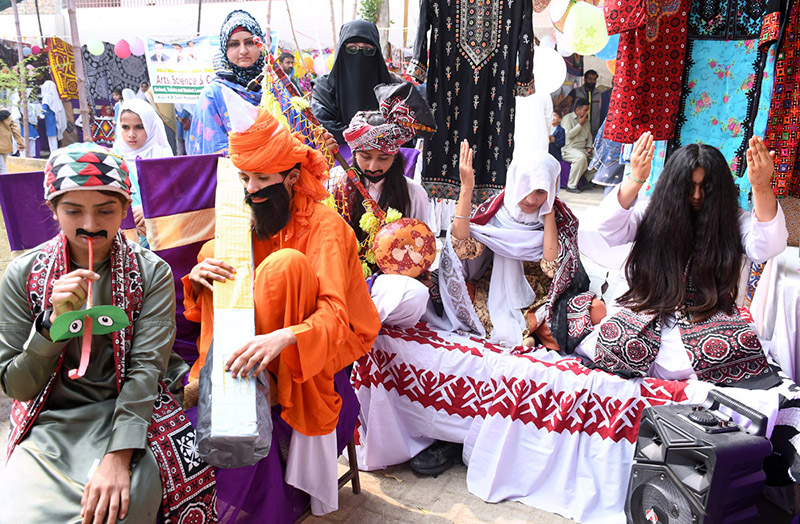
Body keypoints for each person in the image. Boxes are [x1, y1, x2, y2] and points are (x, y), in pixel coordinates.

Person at [0, 143, 215, 523]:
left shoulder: (151, 273)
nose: (90, 224)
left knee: (120, 508)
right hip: (49, 420)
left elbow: (146, 369)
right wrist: (51, 326)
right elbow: (17, 387)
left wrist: (118, 457)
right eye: (73, 210)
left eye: (105, 210)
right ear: (52, 209)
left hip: (132, 415)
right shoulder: (23, 275)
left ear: (125, 208)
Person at [182, 108, 381, 515]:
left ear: (291, 178)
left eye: (262, 179)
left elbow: (335, 315)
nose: (251, 189)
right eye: (244, 179)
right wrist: (199, 276)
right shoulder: (250, 216)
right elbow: (235, 292)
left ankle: (274, 382)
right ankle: (219, 370)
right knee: (213, 254)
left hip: (319, 339)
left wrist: (284, 337)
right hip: (255, 334)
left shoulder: (325, 227)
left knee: (285, 264)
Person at [415, 143, 605, 475]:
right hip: (490, 292)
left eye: (540, 190)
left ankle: (533, 331)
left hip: (542, 298)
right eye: (527, 188)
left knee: (593, 310)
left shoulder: (559, 217)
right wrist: (466, 189)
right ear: (513, 181)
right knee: (444, 290)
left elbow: (552, 268)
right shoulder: (493, 211)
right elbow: (462, 249)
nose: (531, 198)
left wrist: (548, 210)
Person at [576, 133, 787, 388]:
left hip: (707, 318)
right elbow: (608, 228)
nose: (697, 195)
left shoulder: (733, 220)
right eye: (689, 187)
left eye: (705, 187)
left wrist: (762, 188)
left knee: (731, 350)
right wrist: (635, 179)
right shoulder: (650, 212)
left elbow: (768, 246)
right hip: (647, 311)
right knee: (616, 343)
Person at [333, 82, 435, 328]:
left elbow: (421, 247)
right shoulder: (334, 181)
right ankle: (348, 319)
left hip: (384, 281)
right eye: (365, 156)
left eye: (383, 158)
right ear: (353, 153)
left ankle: (353, 323)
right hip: (337, 274)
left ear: (395, 156)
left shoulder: (414, 193)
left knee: (415, 296)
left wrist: (417, 273)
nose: (373, 166)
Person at [188, 9, 265, 156]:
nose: (243, 51)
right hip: (233, 170)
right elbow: (212, 151)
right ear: (225, 49)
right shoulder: (214, 95)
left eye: (250, 42)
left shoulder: (276, 88)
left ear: (260, 44)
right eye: (234, 44)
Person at [312, 20, 393, 143]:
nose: (359, 56)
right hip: (338, 153)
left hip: (383, 153)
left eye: (368, 49)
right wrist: (370, 136)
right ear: (341, 51)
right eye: (352, 49)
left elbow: (402, 127)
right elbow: (323, 125)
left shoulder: (391, 87)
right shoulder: (324, 87)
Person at [112, 98, 174, 243]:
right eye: (125, 127)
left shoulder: (163, 158)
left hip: (160, 237)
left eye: (139, 127)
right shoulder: (113, 159)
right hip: (124, 238)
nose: (131, 134)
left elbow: (175, 198)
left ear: (151, 126)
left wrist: (149, 209)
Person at [561, 99, 593, 193]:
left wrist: (589, 147)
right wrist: (579, 124)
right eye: (585, 110)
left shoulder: (586, 121)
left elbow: (589, 138)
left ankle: (586, 179)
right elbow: (568, 135)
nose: (587, 113)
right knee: (580, 158)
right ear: (578, 110)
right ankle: (571, 186)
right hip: (569, 149)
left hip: (582, 149)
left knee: (599, 158)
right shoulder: (567, 119)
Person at [566, 69, 609, 138]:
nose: (592, 81)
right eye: (590, 79)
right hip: (578, 129)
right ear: (585, 79)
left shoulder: (599, 94)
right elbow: (566, 103)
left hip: (594, 131)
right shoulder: (576, 92)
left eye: (594, 79)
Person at [41, 80, 66, 155]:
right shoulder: (54, 97)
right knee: (54, 137)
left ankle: (53, 153)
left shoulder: (46, 97)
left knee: (51, 138)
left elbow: (44, 108)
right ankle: (55, 152)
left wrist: (40, 115)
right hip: (54, 118)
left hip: (49, 120)